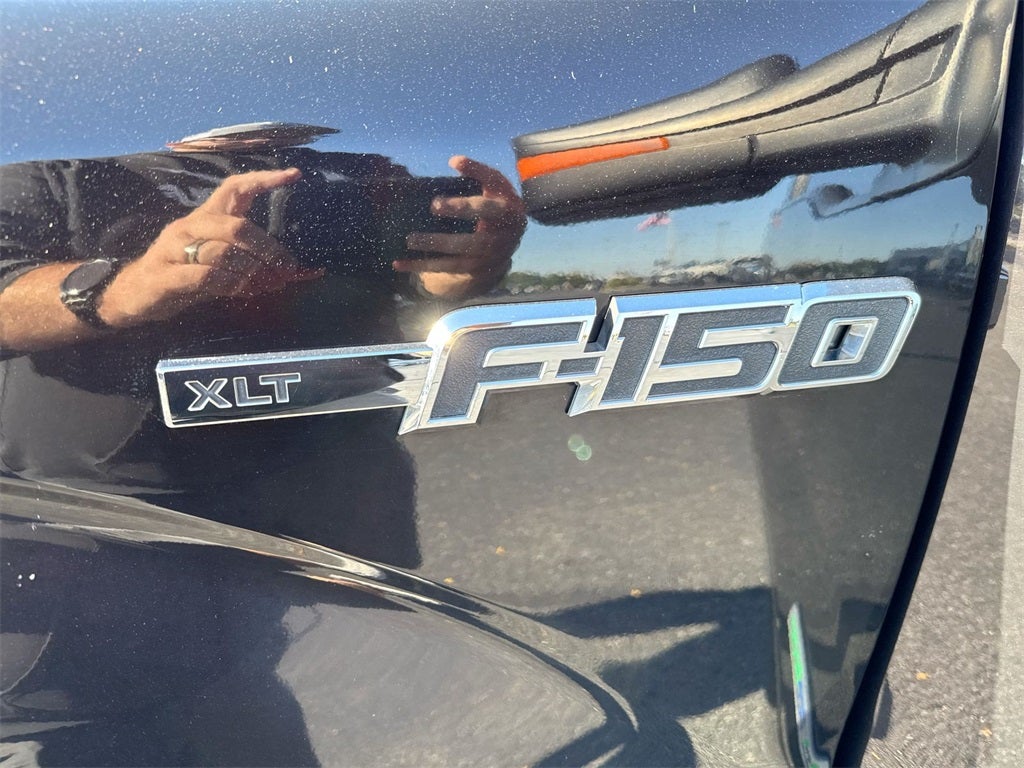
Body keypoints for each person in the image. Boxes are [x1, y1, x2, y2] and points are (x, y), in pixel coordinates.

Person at [0, 136, 526, 567]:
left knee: (389, 652)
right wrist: (122, 288)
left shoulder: (365, 168)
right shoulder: (64, 167)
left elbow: (410, 278)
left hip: (351, 472)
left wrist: (467, 270)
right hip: (115, 502)